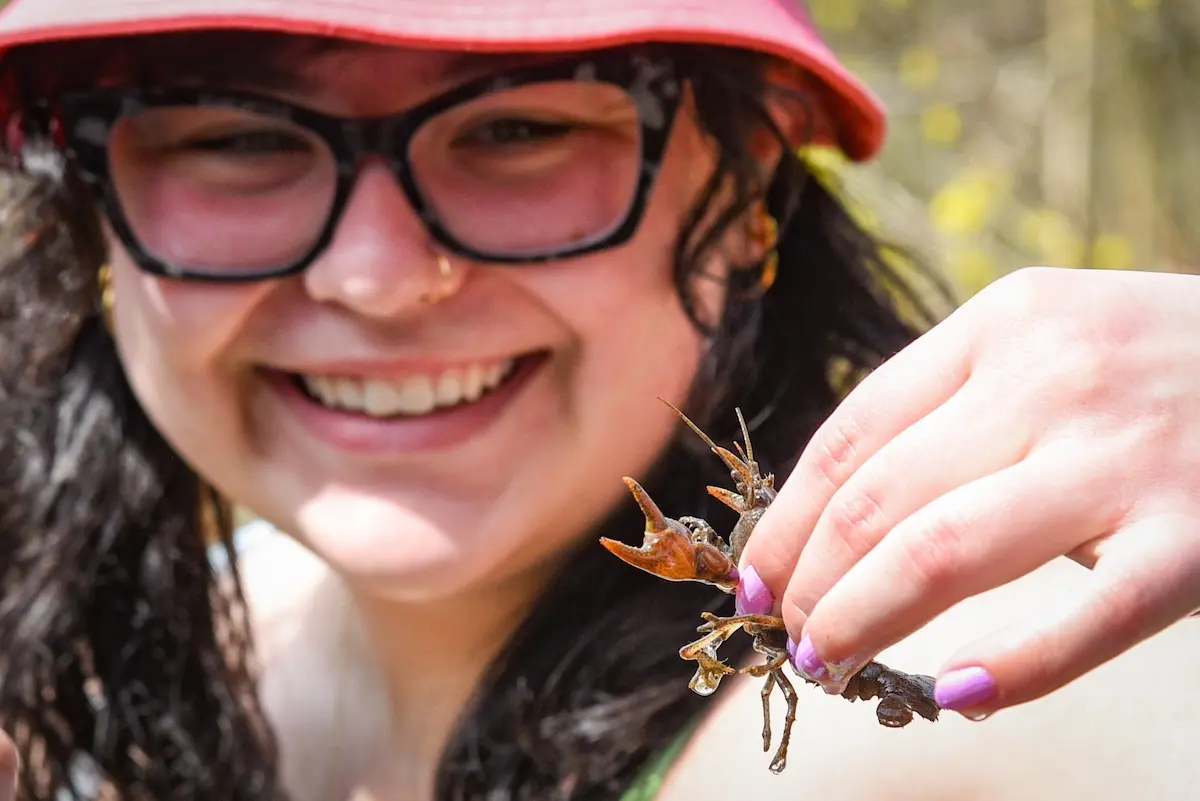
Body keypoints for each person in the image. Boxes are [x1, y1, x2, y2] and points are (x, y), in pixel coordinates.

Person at [0, 1, 1196, 800]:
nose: (374, 276)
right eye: (236, 137)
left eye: (518, 127)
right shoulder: (91, 687)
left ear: (752, 180)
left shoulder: (1025, 694)